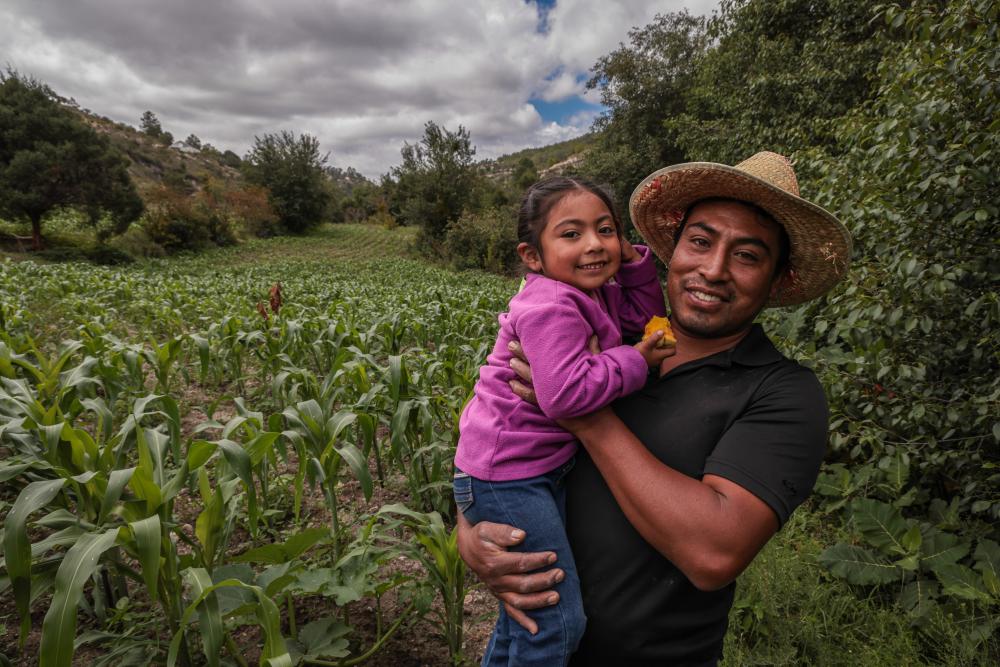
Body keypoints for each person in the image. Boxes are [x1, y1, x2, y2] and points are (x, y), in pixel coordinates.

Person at [456, 152, 852, 665]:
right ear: (673, 249)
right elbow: (498, 447)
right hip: (535, 641)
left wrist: (584, 417)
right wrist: (472, 539)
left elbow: (714, 554)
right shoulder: (606, 338)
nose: (713, 269)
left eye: (748, 256)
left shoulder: (782, 393)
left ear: (776, 280)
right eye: (701, 242)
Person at [453, 176, 671, 666]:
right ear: (533, 256)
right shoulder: (551, 305)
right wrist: (638, 360)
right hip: (510, 476)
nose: (595, 244)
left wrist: (636, 266)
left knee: (523, 618)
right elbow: (566, 394)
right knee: (555, 622)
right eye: (571, 234)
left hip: (514, 470)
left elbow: (640, 316)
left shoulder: (589, 291)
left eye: (606, 230)